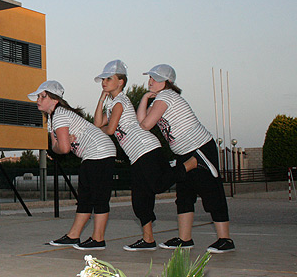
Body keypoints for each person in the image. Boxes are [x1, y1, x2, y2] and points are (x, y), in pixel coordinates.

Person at [93, 60, 191, 251]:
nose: (104, 82)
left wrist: (103, 127)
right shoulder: (112, 104)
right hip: (136, 154)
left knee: (157, 186)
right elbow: (98, 123)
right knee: (140, 199)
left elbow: (110, 129)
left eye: (108, 78)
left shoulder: (120, 101)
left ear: (121, 82)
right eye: (103, 79)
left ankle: (190, 164)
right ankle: (148, 240)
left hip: (146, 148)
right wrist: (101, 99)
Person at [137, 64, 234, 253]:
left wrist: (148, 100)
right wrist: (144, 98)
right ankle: (185, 239)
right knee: (184, 195)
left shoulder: (166, 96)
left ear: (167, 82)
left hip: (199, 149)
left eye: (155, 78)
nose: (150, 81)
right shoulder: (159, 99)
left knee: (211, 192)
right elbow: (142, 122)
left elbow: (146, 125)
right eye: (150, 77)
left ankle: (225, 239)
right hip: (184, 153)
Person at [29, 81, 117, 250]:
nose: (38, 100)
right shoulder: (53, 118)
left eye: (42, 96)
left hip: (100, 152)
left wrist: (62, 144)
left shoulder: (60, 115)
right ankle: (73, 236)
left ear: (54, 100)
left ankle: (98, 239)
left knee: (97, 197)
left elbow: (62, 149)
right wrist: (61, 144)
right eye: (38, 97)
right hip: (93, 154)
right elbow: (56, 148)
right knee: (85, 197)